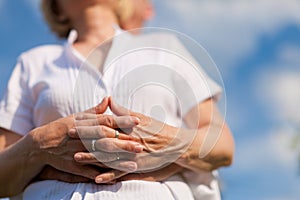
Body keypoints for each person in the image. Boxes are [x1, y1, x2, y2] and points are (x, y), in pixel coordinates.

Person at [0, 0, 234, 199]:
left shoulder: (165, 48)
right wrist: (39, 144)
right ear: (56, 7)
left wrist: (168, 145)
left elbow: (222, 145)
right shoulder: (33, 62)